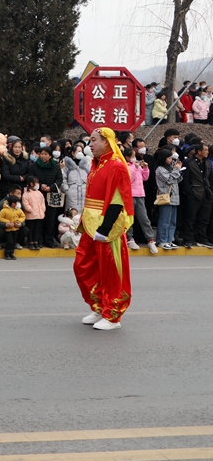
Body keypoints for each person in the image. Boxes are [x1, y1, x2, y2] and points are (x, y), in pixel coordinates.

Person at [74, 128, 135, 331]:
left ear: (107, 142)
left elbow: (118, 200)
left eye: (94, 140)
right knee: (84, 266)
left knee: (111, 272)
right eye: (89, 141)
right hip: (90, 225)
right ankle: (99, 306)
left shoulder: (116, 166)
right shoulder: (97, 164)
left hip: (106, 227)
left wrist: (105, 228)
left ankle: (113, 315)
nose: (90, 144)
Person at [124, 147, 158, 254]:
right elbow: (130, 179)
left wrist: (146, 168)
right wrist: (135, 168)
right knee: (130, 218)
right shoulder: (126, 166)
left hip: (140, 194)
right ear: (127, 157)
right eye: (133, 156)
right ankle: (130, 238)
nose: (135, 158)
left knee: (144, 218)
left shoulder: (137, 166)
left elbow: (145, 178)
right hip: (130, 195)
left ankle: (150, 239)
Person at [182, 142, 213, 248]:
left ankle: (202, 238)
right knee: (191, 217)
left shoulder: (207, 163)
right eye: (205, 150)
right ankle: (188, 239)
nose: (207, 152)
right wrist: (189, 193)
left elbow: (209, 178)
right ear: (199, 151)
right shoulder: (188, 162)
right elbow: (185, 179)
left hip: (206, 193)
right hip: (194, 193)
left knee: (204, 218)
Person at [155, 149, 182, 250]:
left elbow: (178, 180)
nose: (171, 160)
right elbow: (169, 180)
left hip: (174, 197)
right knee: (165, 220)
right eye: (169, 158)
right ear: (163, 158)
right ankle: (162, 240)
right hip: (166, 197)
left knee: (172, 221)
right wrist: (176, 170)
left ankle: (169, 239)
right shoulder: (160, 169)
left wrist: (178, 170)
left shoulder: (171, 168)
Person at [0, 194, 26, 260]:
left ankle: (11, 253)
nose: (18, 204)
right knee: (10, 241)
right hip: (8, 230)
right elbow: (0, 217)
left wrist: (19, 221)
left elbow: (23, 216)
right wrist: (7, 222)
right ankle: (7, 253)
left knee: (14, 242)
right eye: (17, 203)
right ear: (13, 203)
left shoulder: (19, 210)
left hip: (16, 229)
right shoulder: (4, 210)